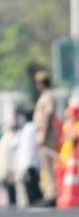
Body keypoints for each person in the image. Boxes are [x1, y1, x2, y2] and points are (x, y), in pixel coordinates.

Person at [33, 70, 59, 205]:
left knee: (48, 165)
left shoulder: (47, 96)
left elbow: (48, 115)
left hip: (47, 133)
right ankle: (49, 192)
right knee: (45, 165)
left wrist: (43, 134)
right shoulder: (45, 96)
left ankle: (52, 194)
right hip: (44, 132)